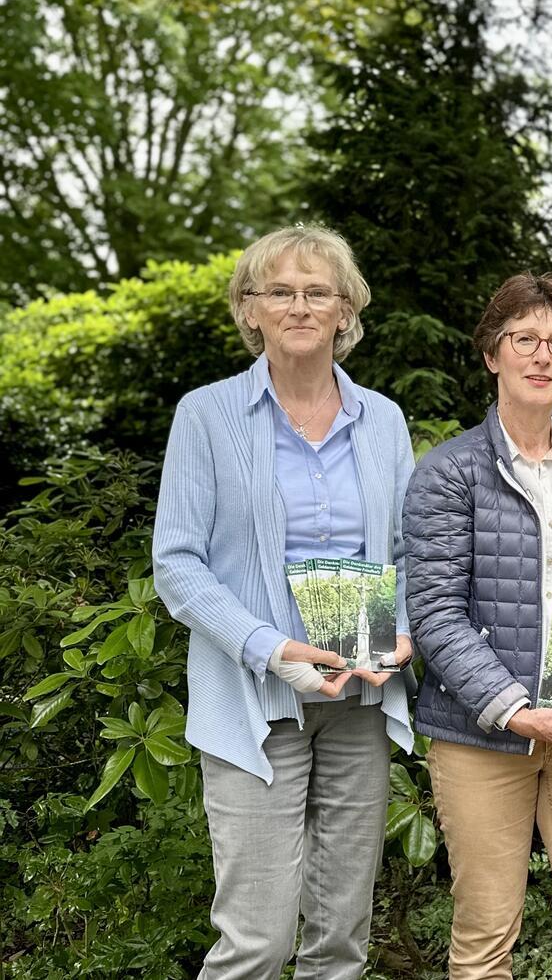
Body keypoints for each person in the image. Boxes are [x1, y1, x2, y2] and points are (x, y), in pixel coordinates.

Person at [152, 225, 415, 979]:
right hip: (253, 697)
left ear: (345, 311)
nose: (300, 305)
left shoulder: (385, 422)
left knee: (340, 941)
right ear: (250, 309)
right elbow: (176, 563)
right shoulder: (206, 415)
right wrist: (273, 649)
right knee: (258, 943)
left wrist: (401, 636)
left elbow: (409, 553)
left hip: (361, 696)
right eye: (281, 291)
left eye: (317, 291)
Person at [403, 272, 552, 980]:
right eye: (524, 339)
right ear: (492, 354)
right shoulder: (449, 473)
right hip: (482, 738)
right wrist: (516, 711)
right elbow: (436, 614)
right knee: (485, 944)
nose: (543, 355)